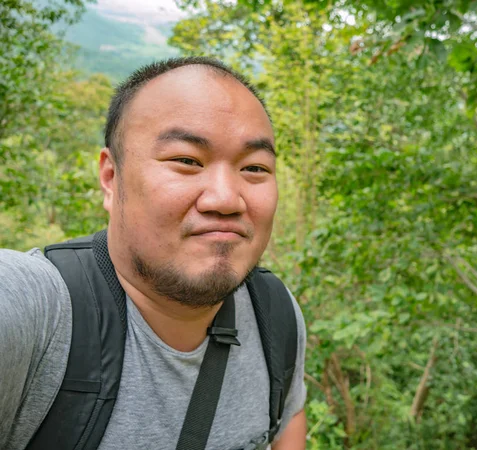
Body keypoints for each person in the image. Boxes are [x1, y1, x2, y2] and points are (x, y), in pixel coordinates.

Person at [0, 57, 307, 450]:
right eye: (186, 161)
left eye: (254, 168)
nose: (227, 199)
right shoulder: (37, 315)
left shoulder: (275, 316)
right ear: (111, 178)